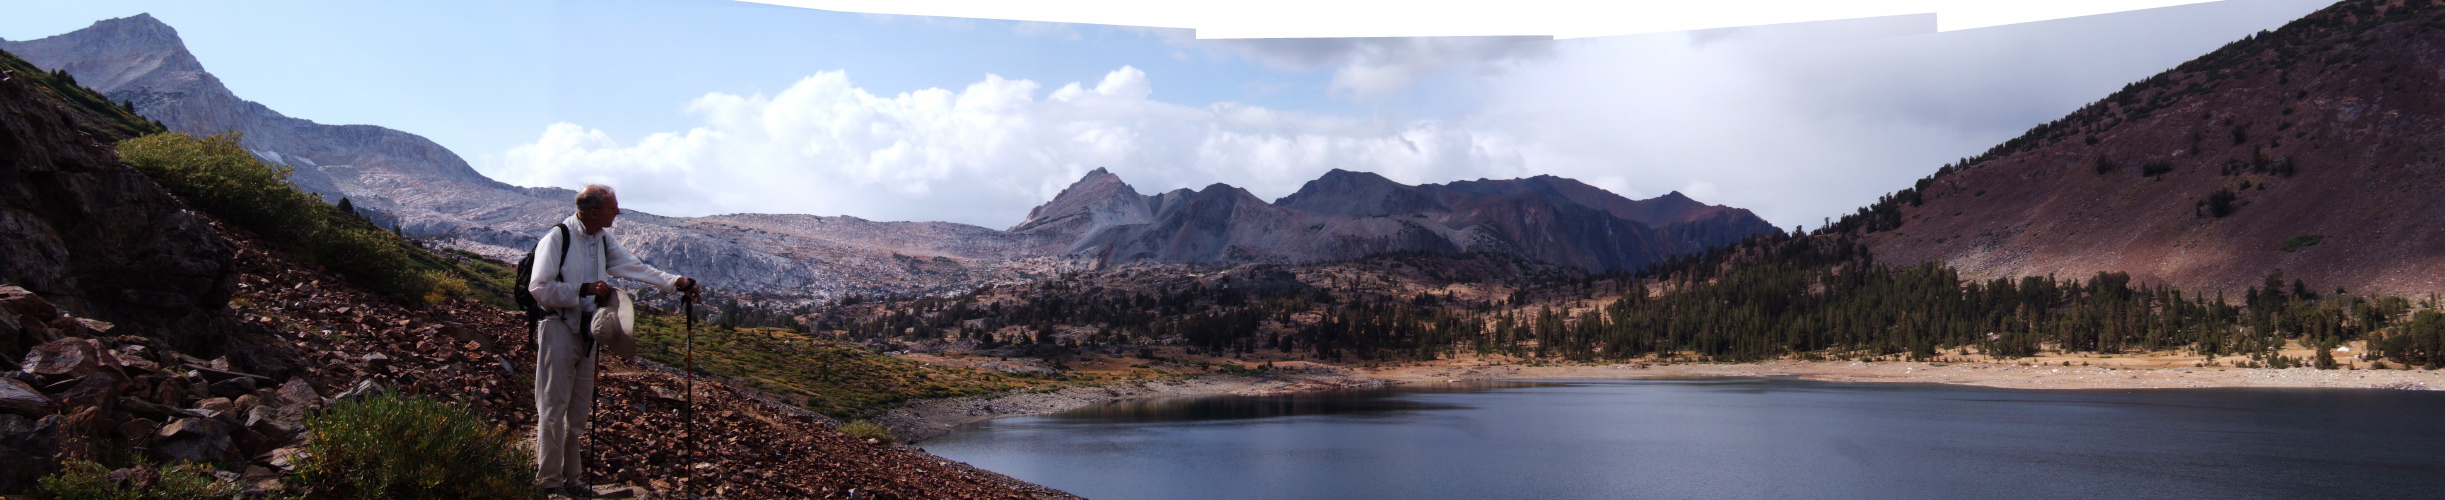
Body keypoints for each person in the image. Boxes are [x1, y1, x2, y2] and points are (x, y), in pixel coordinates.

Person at [528, 184, 698, 496]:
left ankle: (572, 480)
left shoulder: (602, 238)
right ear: (594, 213)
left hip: (590, 331)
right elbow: (538, 288)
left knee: (577, 412)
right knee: (553, 407)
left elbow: (634, 267)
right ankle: (548, 483)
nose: (618, 212)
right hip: (558, 328)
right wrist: (582, 289)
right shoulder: (559, 237)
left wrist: (677, 283)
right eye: (612, 208)